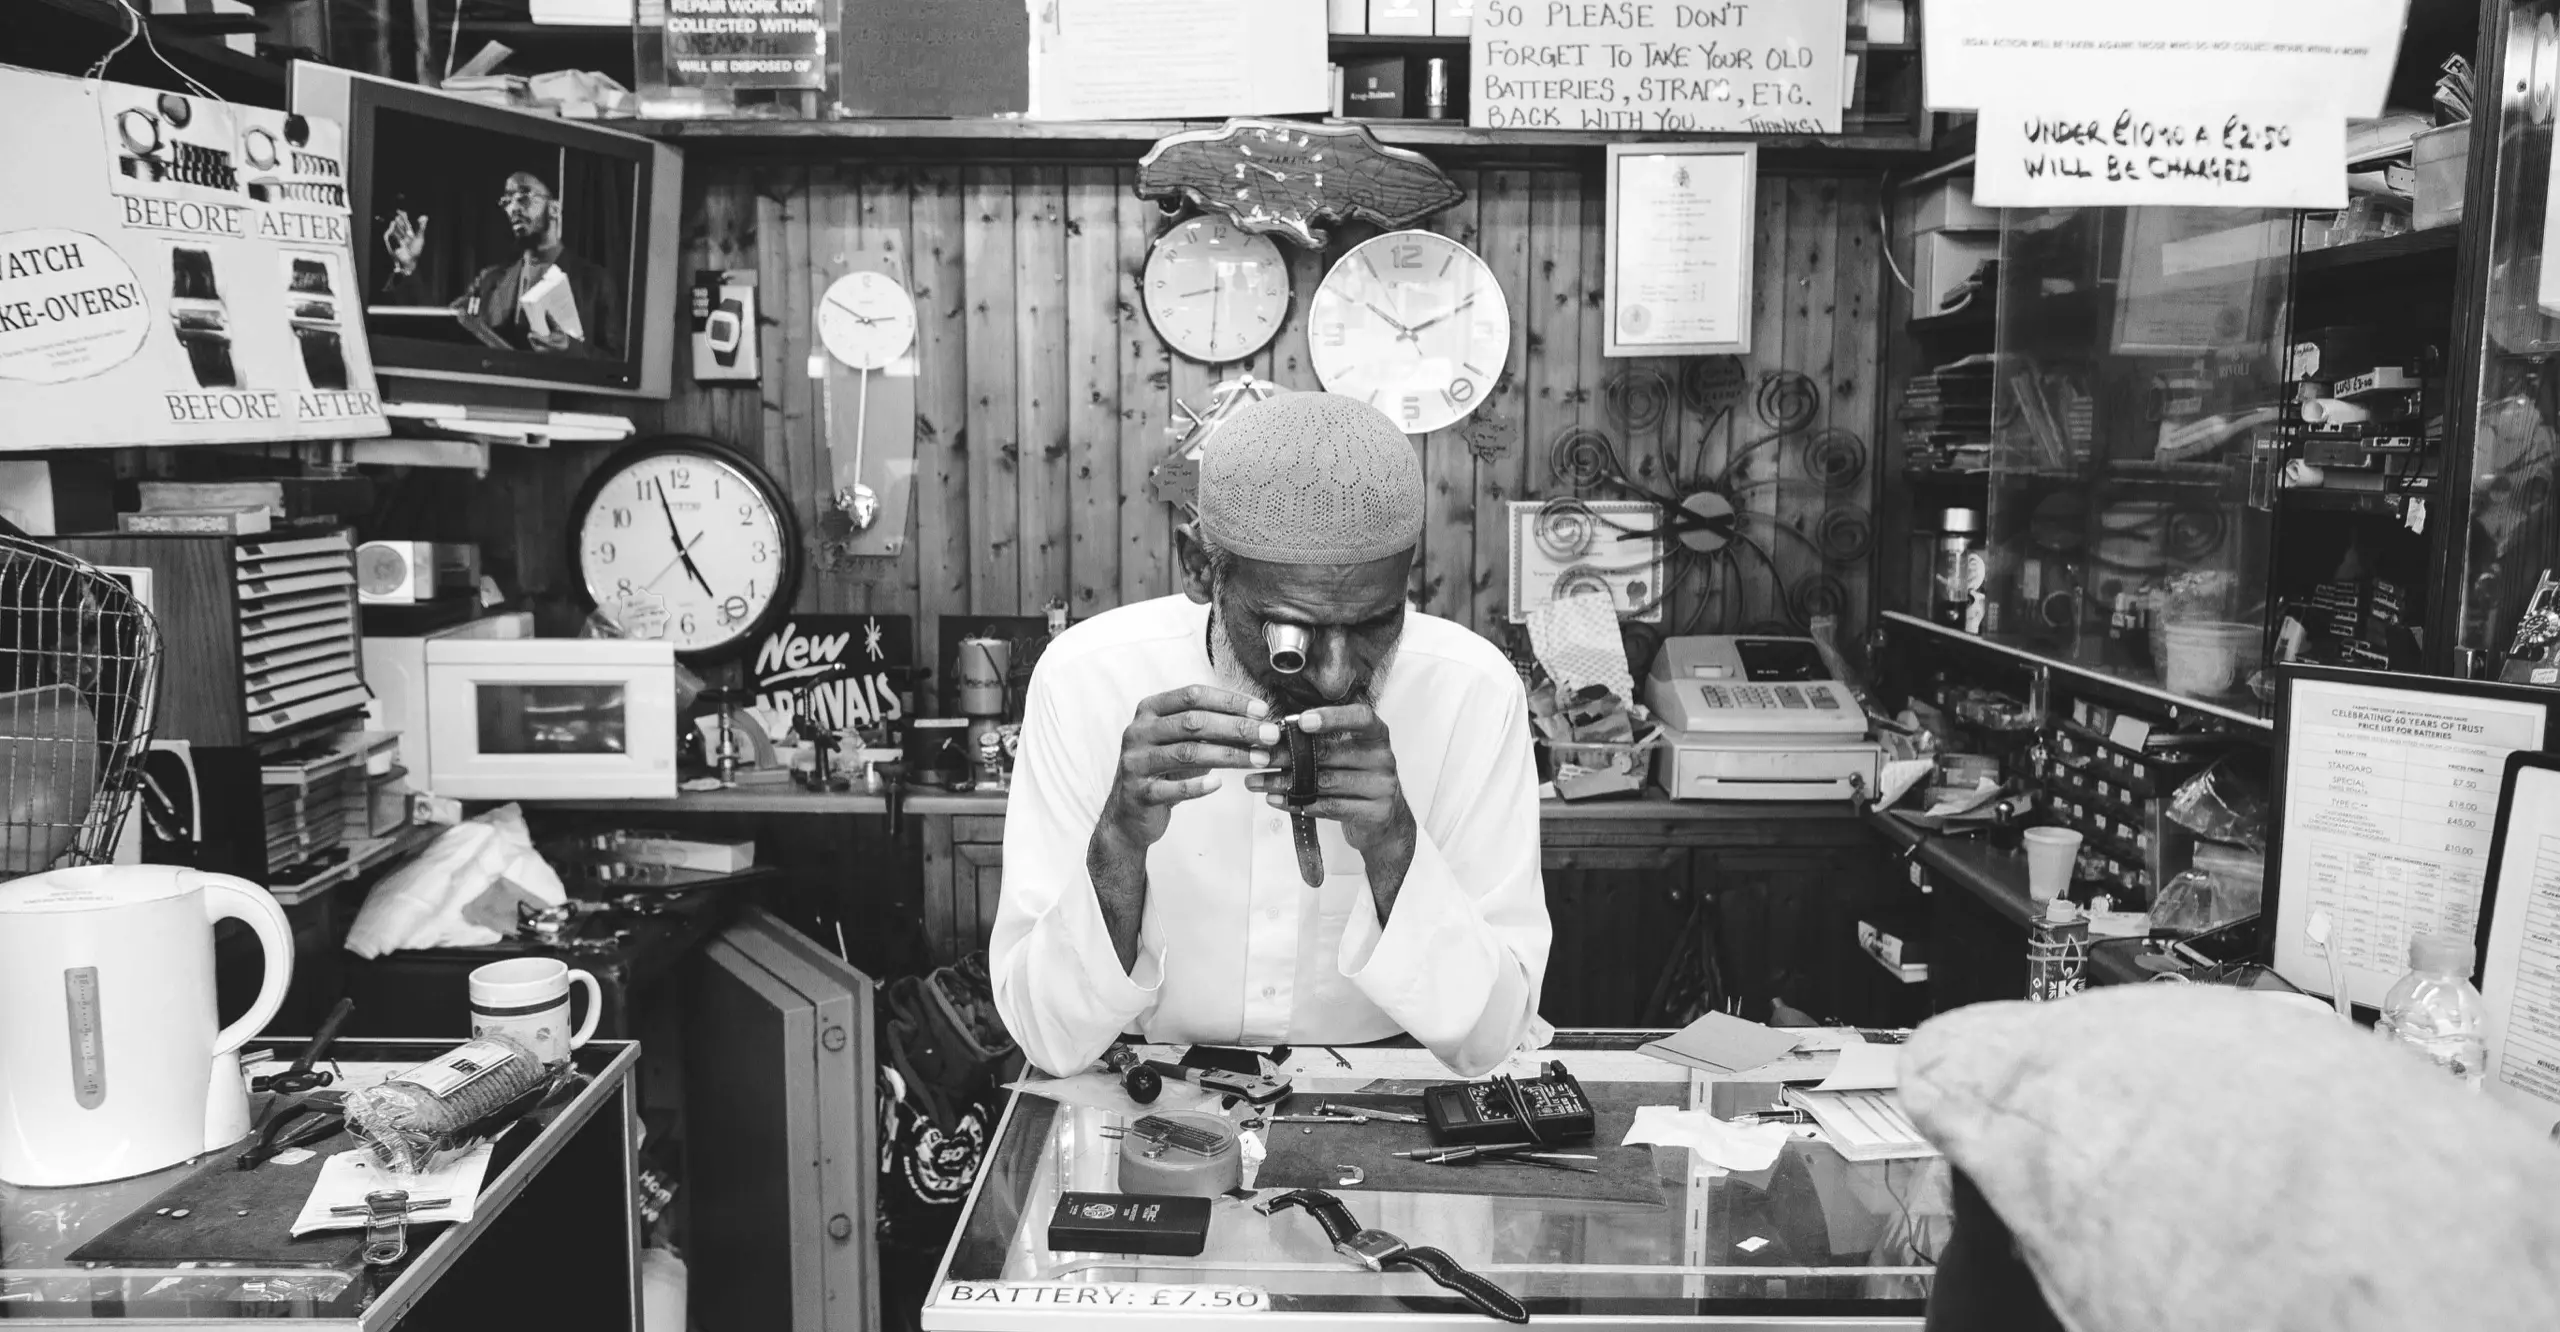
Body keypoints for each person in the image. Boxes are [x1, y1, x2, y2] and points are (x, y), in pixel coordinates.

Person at [991, 391, 1551, 1078]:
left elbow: (1493, 1037)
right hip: (1144, 1097)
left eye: (1376, 625)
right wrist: (1118, 841)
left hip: (1386, 1104)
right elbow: (1045, 1035)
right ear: (1201, 568)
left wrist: (1395, 847)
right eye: (1290, 633)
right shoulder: (1087, 679)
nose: (1337, 676)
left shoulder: (1471, 692)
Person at [378, 170, 620, 357]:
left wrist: (571, 351)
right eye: (507, 201)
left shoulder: (594, 281)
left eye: (524, 196)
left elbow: (617, 366)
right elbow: (439, 329)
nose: (513, 208)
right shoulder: (489, 280)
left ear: (554, 208)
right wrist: (407, 267)